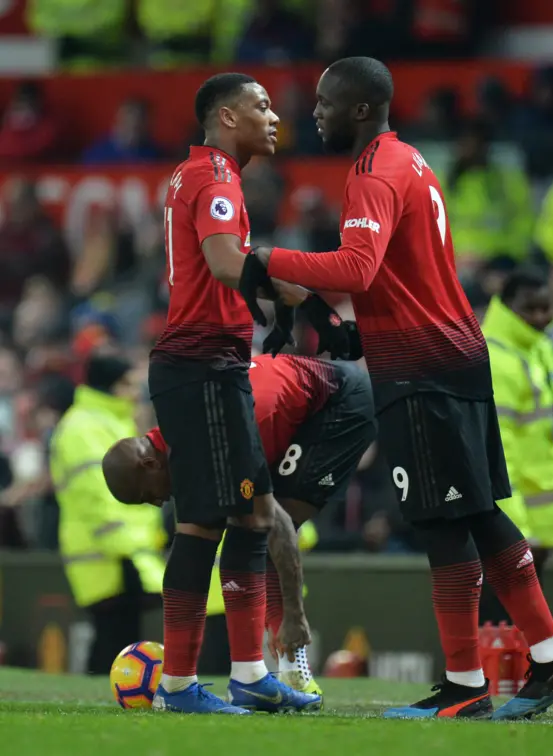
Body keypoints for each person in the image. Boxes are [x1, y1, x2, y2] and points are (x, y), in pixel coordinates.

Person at [238, 56, 553, 721]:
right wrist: (358, 335)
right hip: (453, 353)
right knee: (480, 514)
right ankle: (551, 658)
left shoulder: (372, 173)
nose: (316, 112)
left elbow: (357, 268)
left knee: (443, 523)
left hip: (423, 369)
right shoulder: (414, 162)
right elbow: (407, 276)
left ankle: (467, 685)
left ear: (362, 108)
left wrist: (265, 258)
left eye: (326, 101)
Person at [146, 72, 346, 715]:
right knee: (218, 520)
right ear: (227, 118)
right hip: (204, 364)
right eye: (261, 106)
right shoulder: (217, 178)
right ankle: (195, 683)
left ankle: (241, 676)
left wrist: (295, 300)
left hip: (205, 362)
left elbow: (237, 264)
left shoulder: (195, 173)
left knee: (237, 517)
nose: (274, 116)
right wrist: (290, 274)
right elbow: (228, 264)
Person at [103, 352, 376, 703]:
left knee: (263, 526)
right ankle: (250, 677)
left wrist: (295, 615)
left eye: (146, 495)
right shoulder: (180, 443)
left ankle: (295, 672)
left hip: (339, 403)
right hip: (276, 403)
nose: (157, 503)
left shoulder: (220, 442)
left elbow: (277, 524)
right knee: (244, 528)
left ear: (150, 463)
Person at [49, 353, 166, 674]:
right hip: (107, 549)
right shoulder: (82, 426)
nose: (134, 392)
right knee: (111, 633)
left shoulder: (110, 421)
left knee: (121, 633)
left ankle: (114, 693)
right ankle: (102, 694)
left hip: (123, 547)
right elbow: (93, 495)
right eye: (128, 384)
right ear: (111, 386)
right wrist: (125, 544)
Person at [482, 268, 553, 584]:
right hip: (519, 519)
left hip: (543, 517)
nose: (542, 317)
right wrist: (516, 527)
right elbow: (499, 451)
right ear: (506, 308)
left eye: (546, 308)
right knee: (502, 618)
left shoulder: (538, 346)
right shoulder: (497, 359)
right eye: (530, 309)